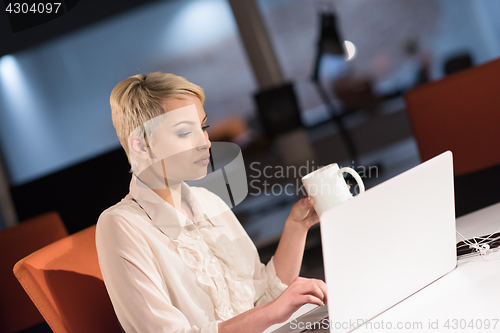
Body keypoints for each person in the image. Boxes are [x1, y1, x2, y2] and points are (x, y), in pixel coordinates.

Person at [96, 72, 327, 333]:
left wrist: (297, 228)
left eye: (203, 128)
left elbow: (263, 299)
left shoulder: (209, 202)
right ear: (141, 146)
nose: (204, 142)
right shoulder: (121, 225)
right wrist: (270, 312)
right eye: (184, 132)